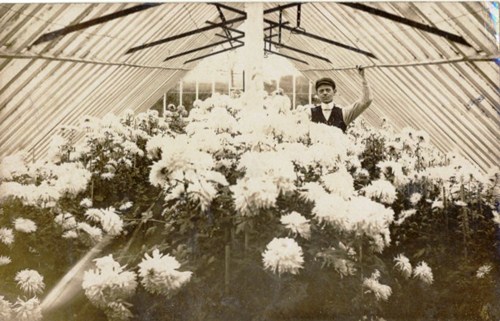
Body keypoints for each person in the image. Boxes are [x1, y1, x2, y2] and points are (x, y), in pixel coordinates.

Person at [308, 67, 372, 132]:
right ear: (317, 94)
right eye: (321, 91)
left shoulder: (344, 113)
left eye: (328, 90)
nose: (325, 93)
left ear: (334, 92)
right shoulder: (309, 113)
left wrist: (363, 78)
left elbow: (366, 101)